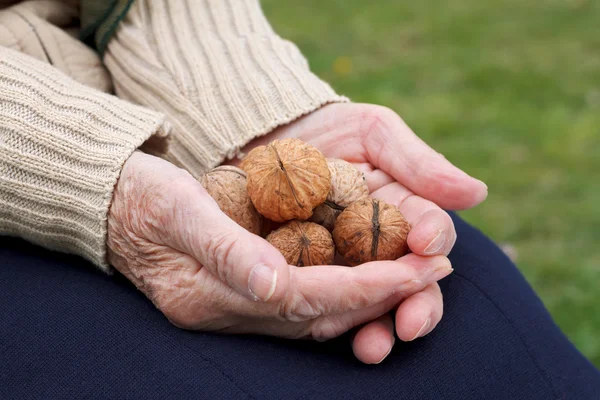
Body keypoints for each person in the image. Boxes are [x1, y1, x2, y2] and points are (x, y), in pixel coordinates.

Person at [0, 1, 598, 399]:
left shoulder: (305, 197)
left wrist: (257, 114)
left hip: (163, 128)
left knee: (481, 340)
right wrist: (96, 180)